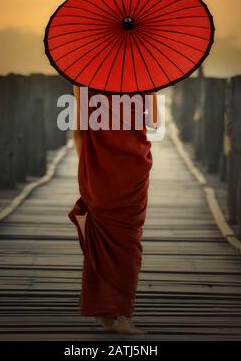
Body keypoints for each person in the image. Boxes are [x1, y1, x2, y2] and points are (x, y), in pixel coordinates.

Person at [68, 85, 161, 335]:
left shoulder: (83, 78)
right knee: (128, 239)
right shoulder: (143, 77)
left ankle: (104, 313)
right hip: (132, 169)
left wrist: (88, 168)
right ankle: (120, 314)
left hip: (97, 173)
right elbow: (153, 122)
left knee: (102, 237)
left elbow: (78, 132)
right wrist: (153, 89)